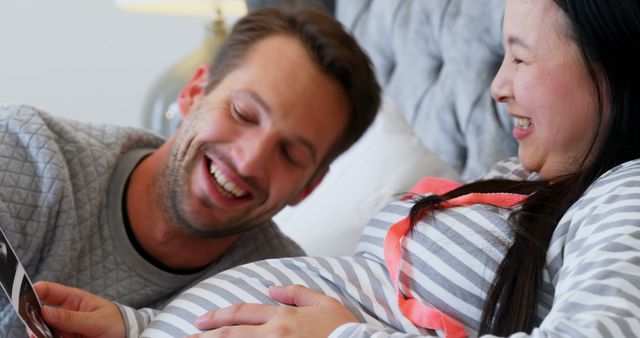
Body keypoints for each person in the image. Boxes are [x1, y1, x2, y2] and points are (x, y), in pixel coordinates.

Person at [34, 0, 640, 336]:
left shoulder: (625, 194)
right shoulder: (522, 179)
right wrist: (138, 327)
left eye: (519, 56)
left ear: (607, 65)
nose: (498, 86)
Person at [0, 6, 380, 337]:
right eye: (242, 113)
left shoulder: (284, 296)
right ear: (193, 92)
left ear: (308, 187)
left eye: (290, 153)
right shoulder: (26, 154)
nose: (248, 161)